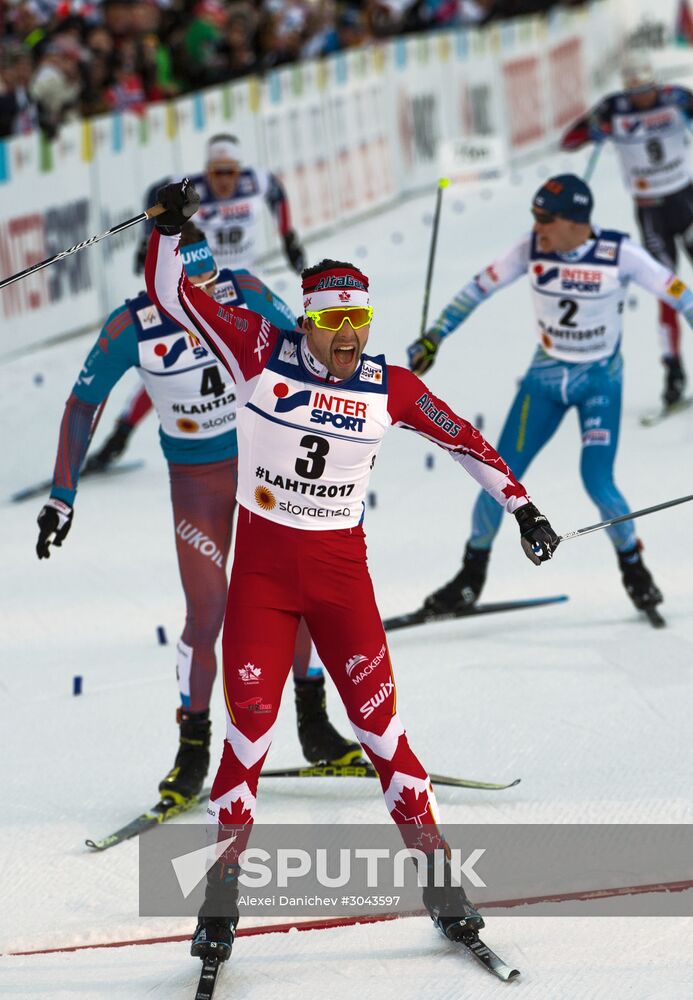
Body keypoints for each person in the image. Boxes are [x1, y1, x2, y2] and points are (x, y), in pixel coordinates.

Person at [144, 178, 558, 961]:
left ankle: (440, 884)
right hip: (264, 582)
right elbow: (174, 298)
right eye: (334, 320)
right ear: (307, 319)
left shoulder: (386, 384)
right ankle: (221, 902)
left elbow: (464, 440)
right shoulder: (257, 352)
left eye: (359, 321)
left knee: (384, 734)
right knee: (250, 735)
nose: (348, 335)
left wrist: (523, 508)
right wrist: (170, 229)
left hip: (340, 583)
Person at [36, 224, 360, 811]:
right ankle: (192, 751)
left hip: (266, 473)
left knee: (301, 590)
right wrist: (63, 495)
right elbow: (83, 403)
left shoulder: (247, 292)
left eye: (213, 281)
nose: (210, 298)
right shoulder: (130, 326)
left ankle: (313, 722)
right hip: (198, 484)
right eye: (195, 286)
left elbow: (308, 349)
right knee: (208, 611)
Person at [408, 173, 693, 622]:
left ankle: (635, 570)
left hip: (599, 379)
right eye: (535, 216)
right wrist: (434, 337)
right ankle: (470, 576)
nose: (537, 226)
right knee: (497, 473)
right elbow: (477, 288)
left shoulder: (620, 254)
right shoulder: (532, 248)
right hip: (545, 378)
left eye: (546, 218)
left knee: (597, 481)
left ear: (576, 220)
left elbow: (682, 296)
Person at [560, 49, 693, 408]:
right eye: (633, 93)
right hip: (650, 212)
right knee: (668, 290)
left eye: (645, 91)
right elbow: (568, 140)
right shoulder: (612, 107)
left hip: (687, 200)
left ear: (655, 83)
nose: (640, 99)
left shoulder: (677, 97)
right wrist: (595, 130)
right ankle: (674, 369)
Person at [134, 132, 306, 276]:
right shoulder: (190, 187)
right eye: (218, 172)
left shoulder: (255, 180)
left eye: (229, 172)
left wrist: (288, 238)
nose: (224, 179)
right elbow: (154, 194)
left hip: (245, 274)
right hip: (205, 278)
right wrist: (148, 240)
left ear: (238, 170)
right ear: (207, 170)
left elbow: (277, 193)